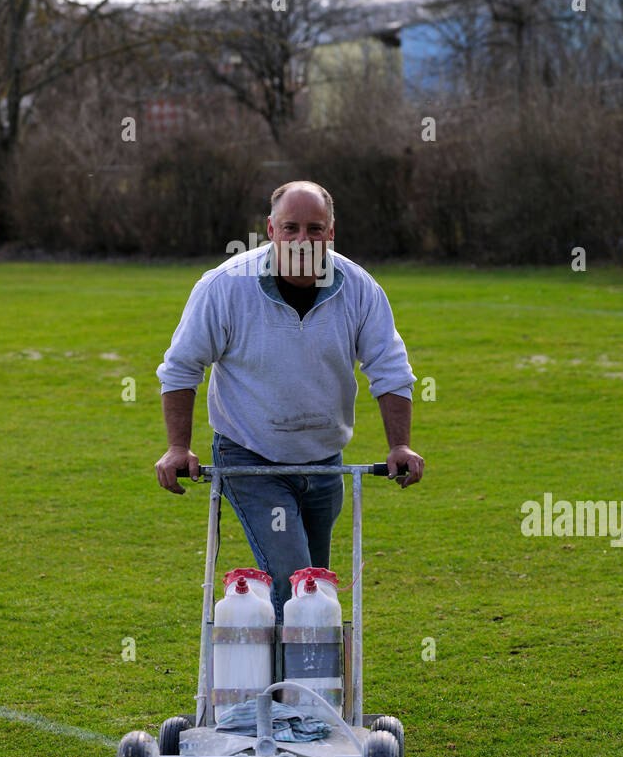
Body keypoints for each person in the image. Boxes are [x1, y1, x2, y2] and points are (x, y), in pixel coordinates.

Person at [154, 180, 424, 620]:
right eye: (290, 227)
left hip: (324, 461)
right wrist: (178, 448)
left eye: (315, 229)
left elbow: (390, 368)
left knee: (315, 585)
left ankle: (309, 681)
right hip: (251, 456)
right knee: (296, 576)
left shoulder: (359, 288)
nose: (303, 240)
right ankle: (287, 687)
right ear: (270, 229)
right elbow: (182, 368)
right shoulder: (224, 287)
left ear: (331, 232)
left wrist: (400, 445)